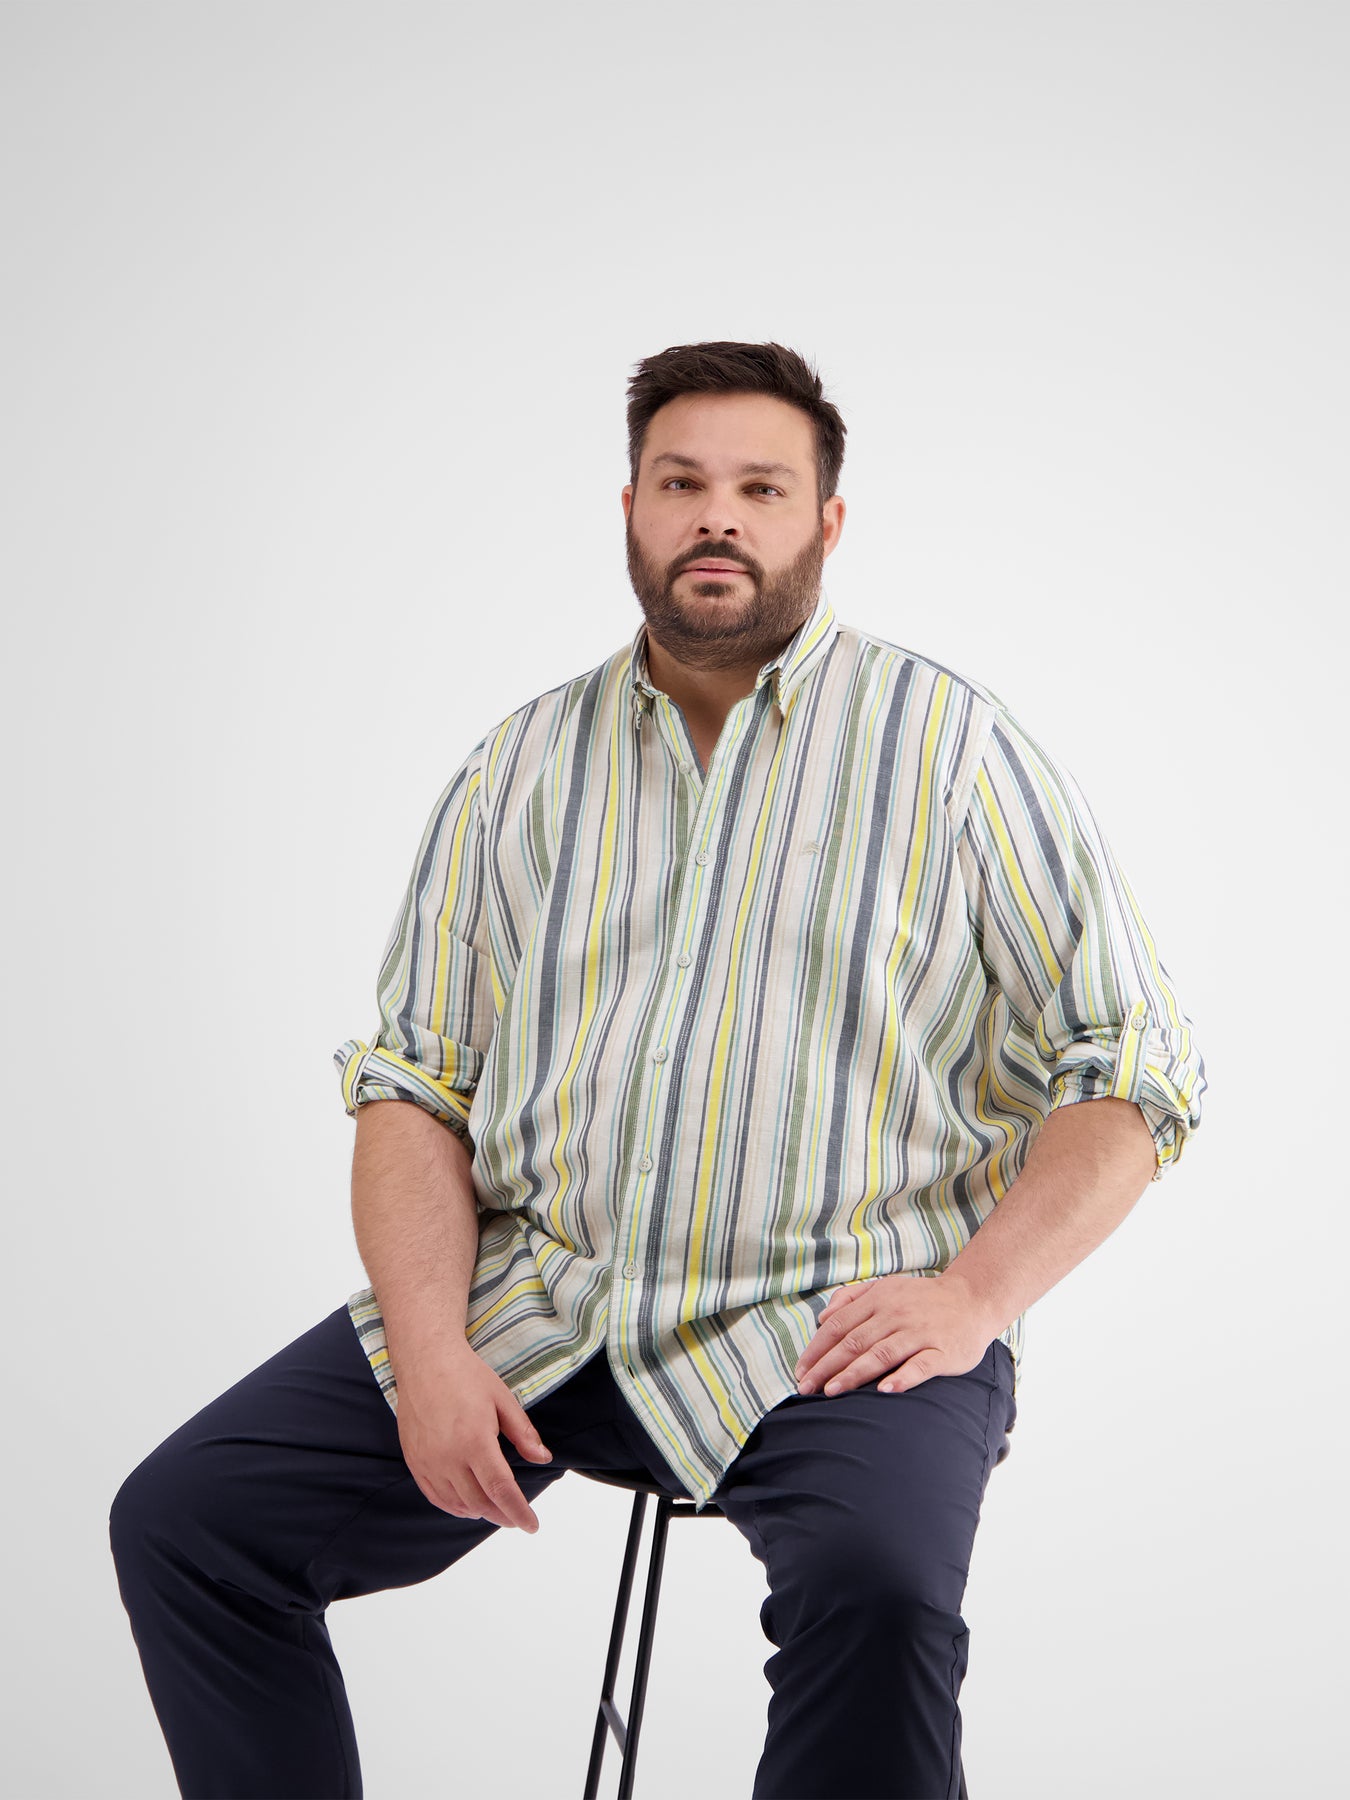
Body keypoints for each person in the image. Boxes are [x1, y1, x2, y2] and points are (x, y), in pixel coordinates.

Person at [110, 339, 1206, 1800]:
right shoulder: (519, 766)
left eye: (762, 488)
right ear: (631, 508)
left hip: (840, 1320)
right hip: (547, 1300)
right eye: (682, 484)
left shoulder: (953, 750)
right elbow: (414, 1086)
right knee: (187, 1525)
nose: (718, 517)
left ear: (826, 521)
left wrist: (974, 1297)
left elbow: (1131, 1065)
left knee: (879, 1594)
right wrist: (429, 1353)